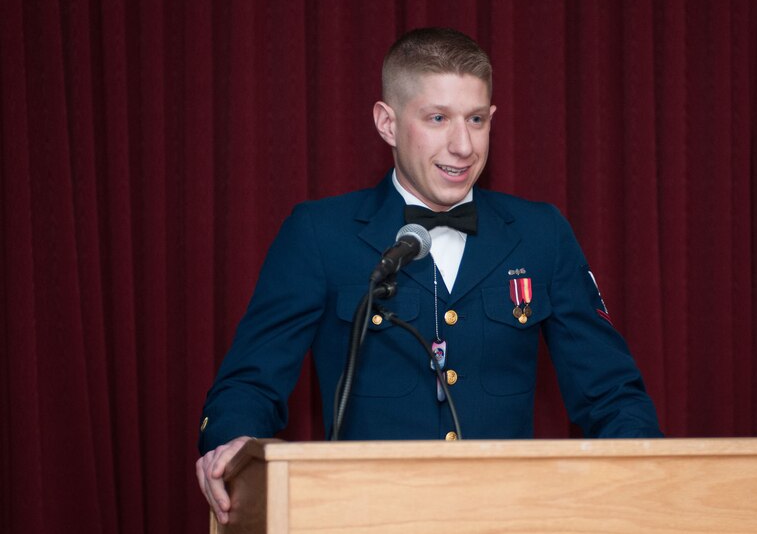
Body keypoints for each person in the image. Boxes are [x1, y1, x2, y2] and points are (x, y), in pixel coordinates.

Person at [195, 27, 662, 524]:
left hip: (511, 517)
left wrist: (648, 478)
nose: (462, 145)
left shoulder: (539, 233)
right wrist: (234, 441)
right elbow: (248, 382)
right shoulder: (319, 234)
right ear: (387, 123)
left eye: (476, 119)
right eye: (437, 119)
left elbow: (611, 392)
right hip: (364, 517)